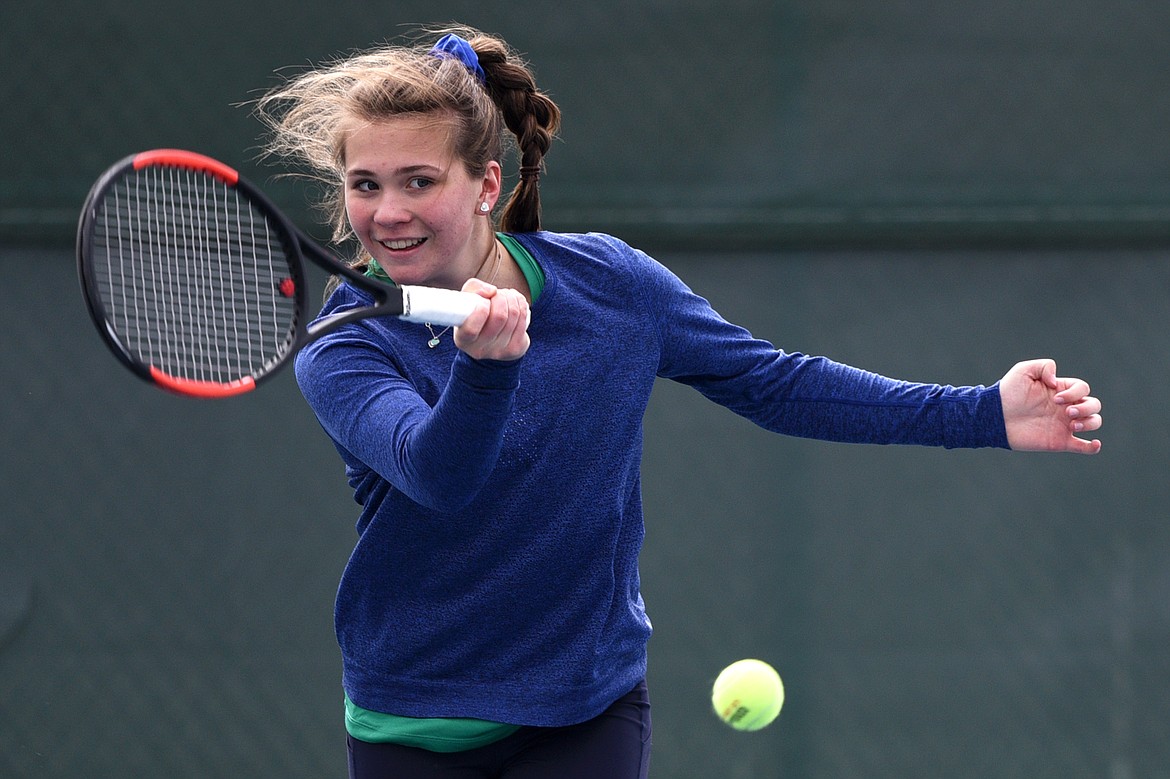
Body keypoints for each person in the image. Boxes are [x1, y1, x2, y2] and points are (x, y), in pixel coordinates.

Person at [255, 26, 1103, 779]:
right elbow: (439, 475)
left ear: (484, 184)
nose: (388, 211)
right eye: (365, 184)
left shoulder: (614, 286)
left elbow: (774, 382)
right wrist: (488, 368)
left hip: (585, 705)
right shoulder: (342, 346)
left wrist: (984, 412)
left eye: (416, 180)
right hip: (413, 717)